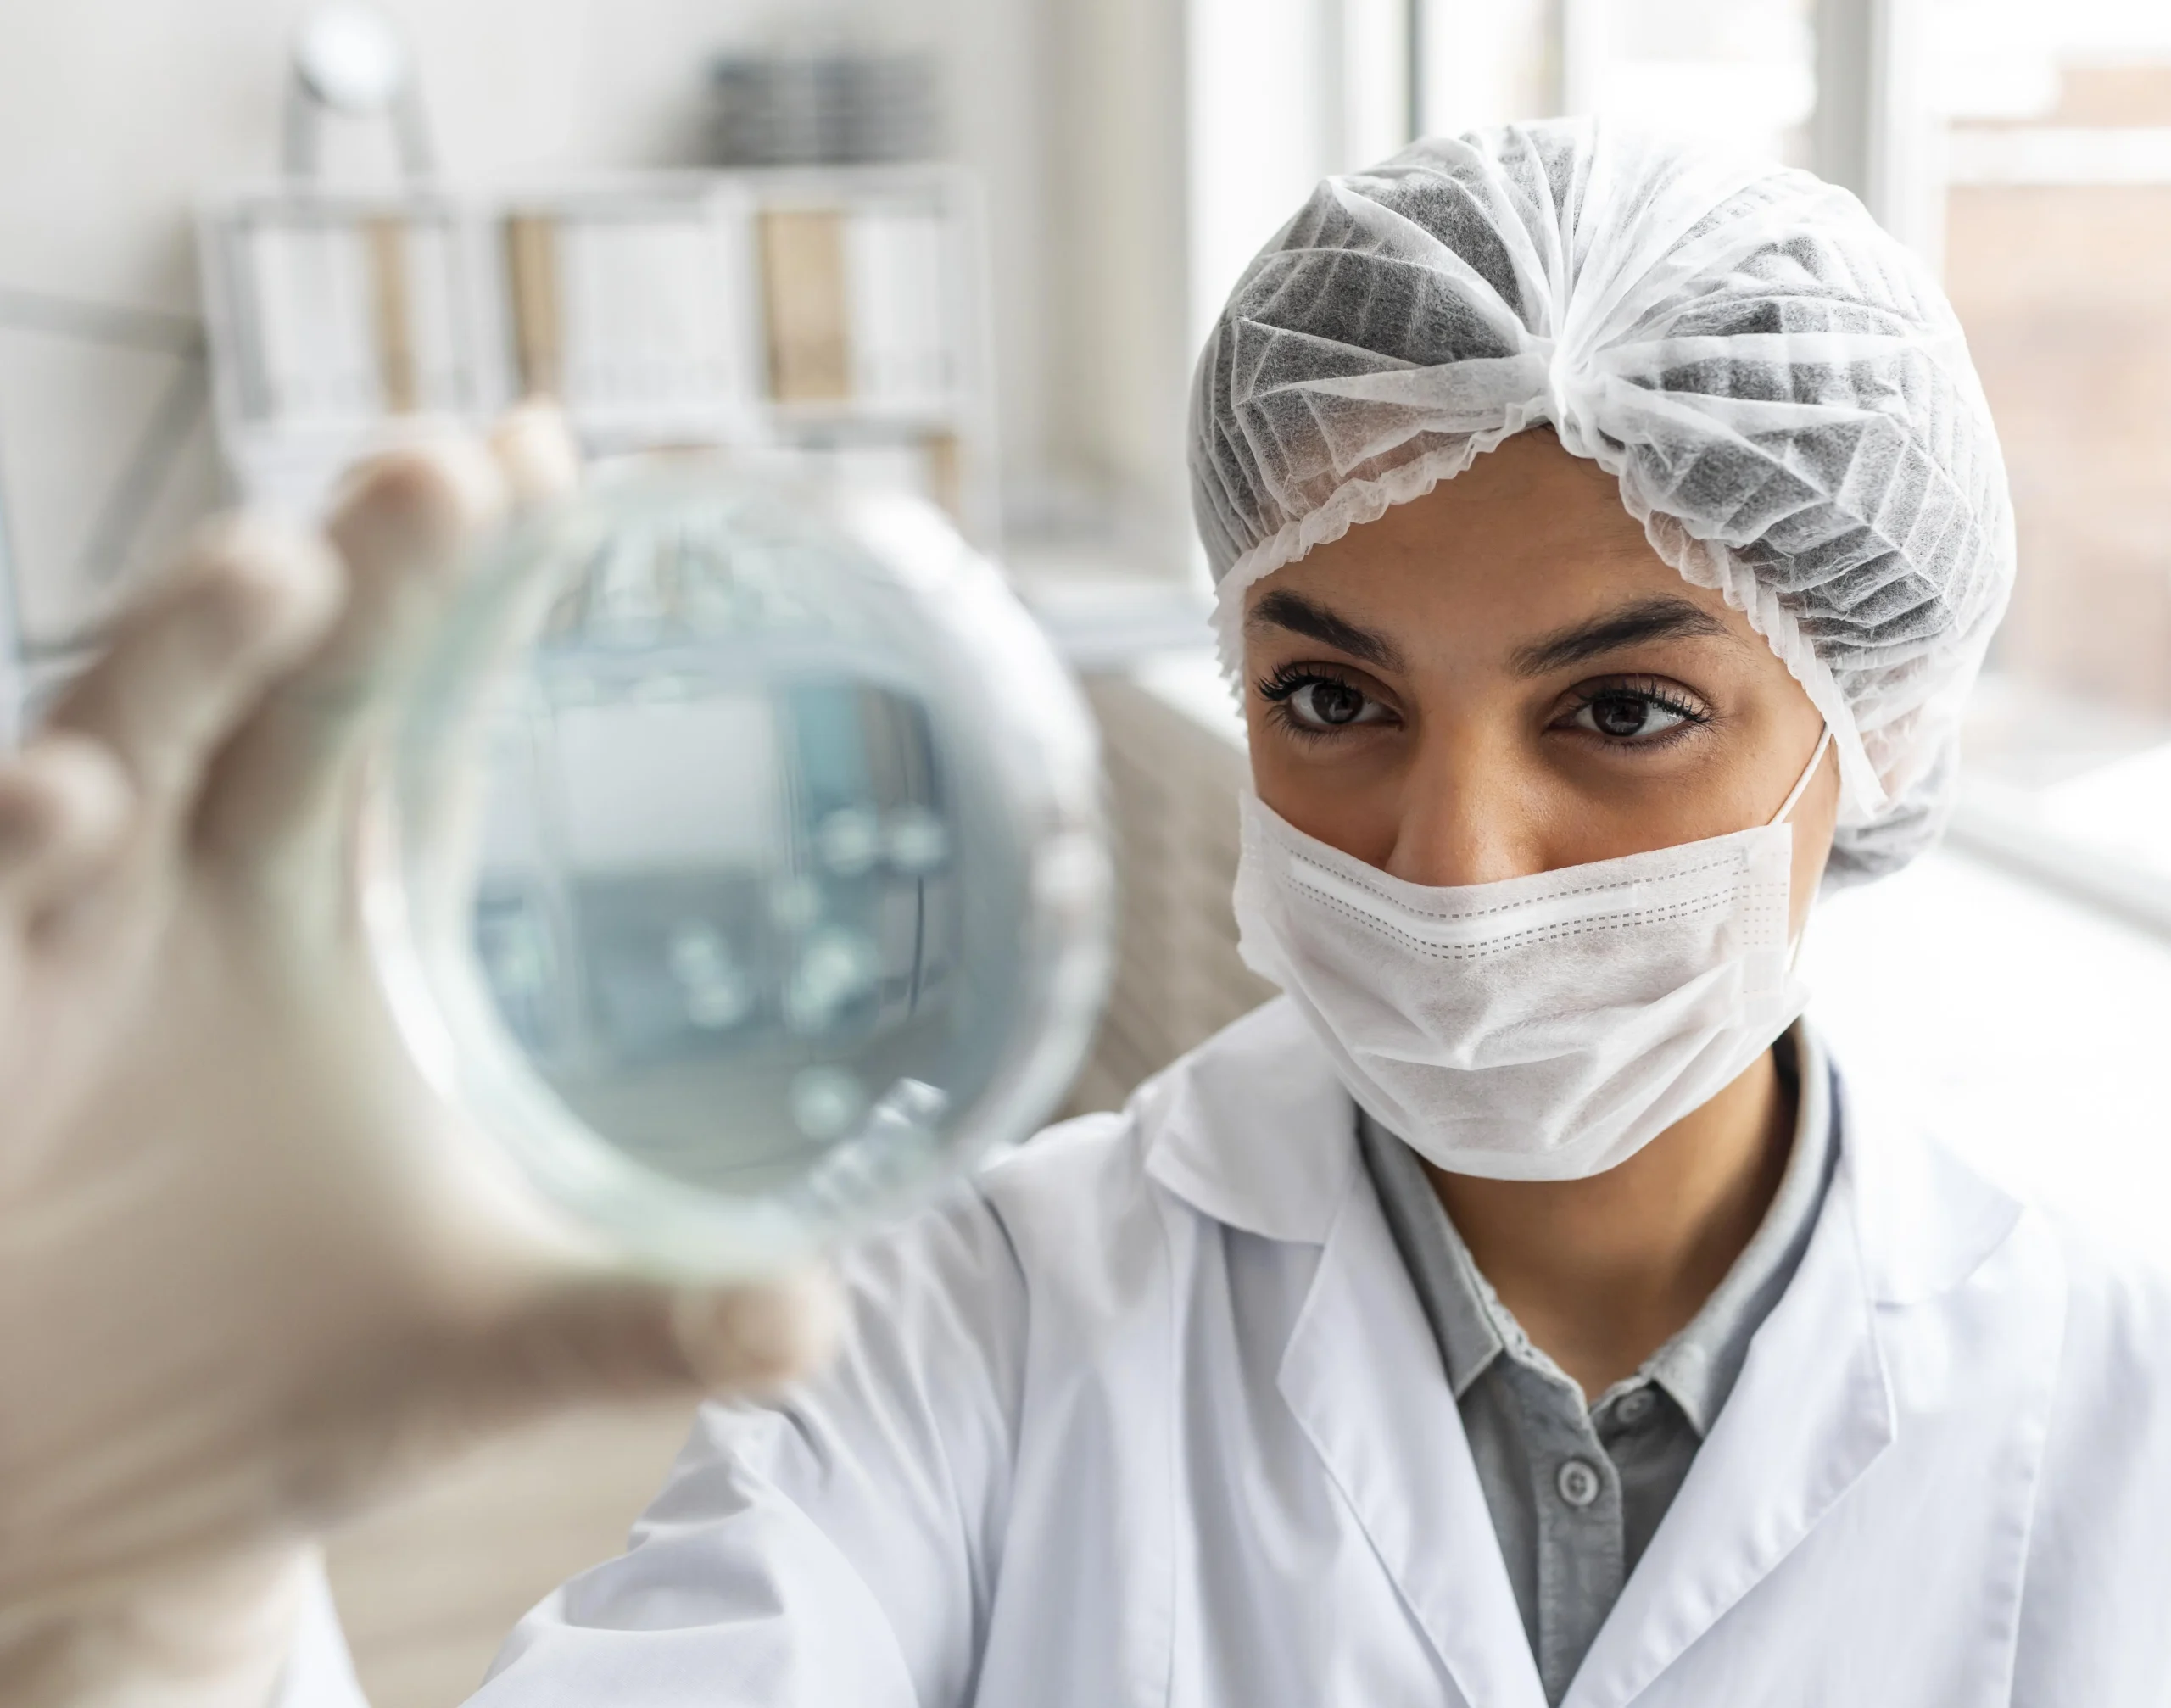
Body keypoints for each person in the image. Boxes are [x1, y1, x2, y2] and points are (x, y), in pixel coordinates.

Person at [6, 120, 2170, 1707]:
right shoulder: (970, 1316)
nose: (1445, 854)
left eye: (1618, 709)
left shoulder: (2109, 1403)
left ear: (1872, 727)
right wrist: (149, 1608)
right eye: (1327, 696)